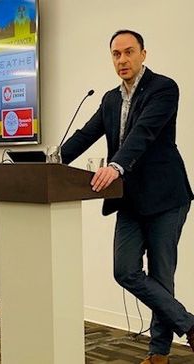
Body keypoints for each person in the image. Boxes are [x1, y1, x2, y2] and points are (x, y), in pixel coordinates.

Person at [61, 29, 194, 363]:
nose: (122, 59)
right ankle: (190, 325)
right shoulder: (108, 99)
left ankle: (158, 354)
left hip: (166, 197)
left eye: (129, 52)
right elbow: (84, 135)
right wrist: (50, 161)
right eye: (116, 54)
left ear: (143, 54)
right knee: (125, 270)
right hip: (130, 200)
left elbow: (143, 133)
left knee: (162, 276)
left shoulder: (164, 88)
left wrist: (117, 165)